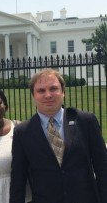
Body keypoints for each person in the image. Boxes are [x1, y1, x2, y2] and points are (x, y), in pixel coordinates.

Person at [10, 68, 107, 203]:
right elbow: (18, 180)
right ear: (33, 96)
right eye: (41, 90)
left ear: (63, 93)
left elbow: (102, 168)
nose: (48, 95)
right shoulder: (23, 132)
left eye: (53, 89)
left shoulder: (85, 121)